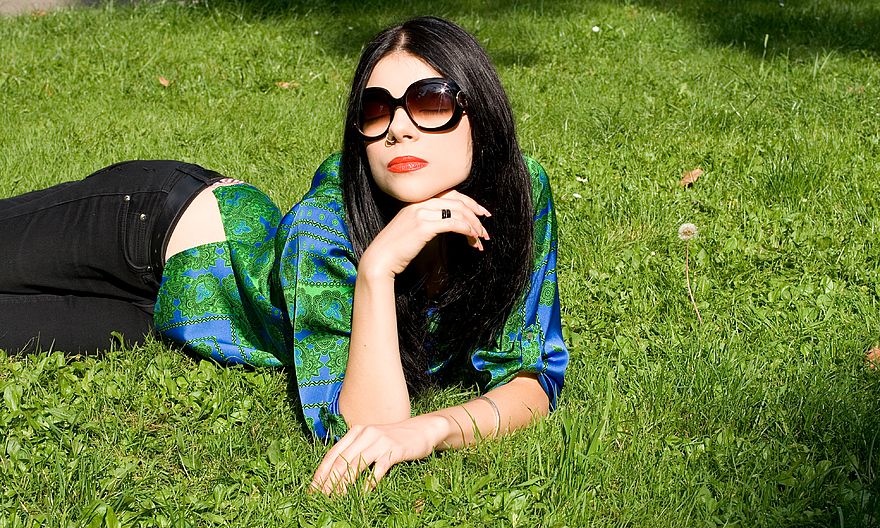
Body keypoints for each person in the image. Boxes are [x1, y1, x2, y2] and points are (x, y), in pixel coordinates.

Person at [0, 16, 568, 495]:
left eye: (430, 101)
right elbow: (357, 428)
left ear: (482, 111)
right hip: (147, 226)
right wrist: (376, 267)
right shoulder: (325, 229)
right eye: (376, 111)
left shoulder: (519, 195)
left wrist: (434, 430)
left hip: (162, 318)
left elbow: (529, 376)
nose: (398, 128)